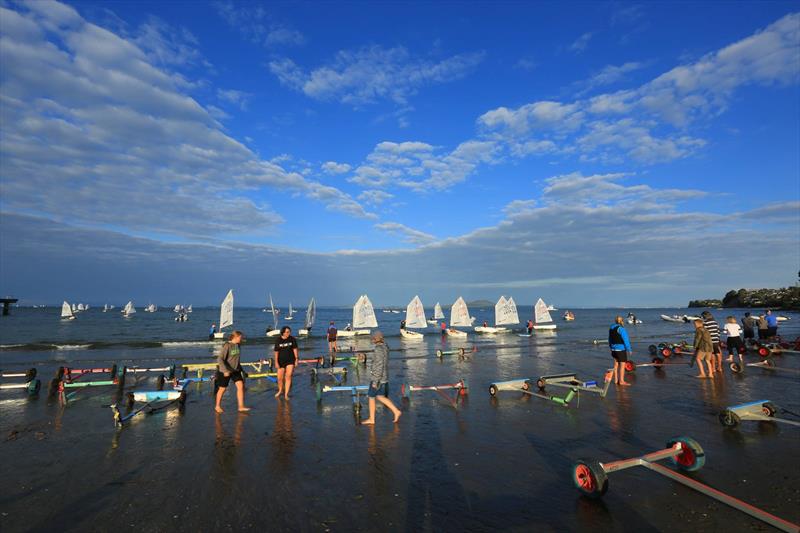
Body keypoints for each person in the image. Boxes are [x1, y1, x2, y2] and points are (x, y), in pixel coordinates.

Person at [361, 331, 402, 425]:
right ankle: (396, 411)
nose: (372, 340)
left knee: (371, 397)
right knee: (380, 397)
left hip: (378, 378)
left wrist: (375, 381)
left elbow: (379, 365)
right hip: (384, 377)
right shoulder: (385, 347)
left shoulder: (378, 349)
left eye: (373, 338)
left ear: (376, 339)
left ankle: (372, 419)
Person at [214, 331, 250, 413]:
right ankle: (217, 406)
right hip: (225, 371)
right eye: (240, 337)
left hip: (235, 370)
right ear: (235, 337)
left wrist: (241, 369)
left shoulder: (238, 345)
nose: (242, 339)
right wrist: (225, 371)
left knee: (240, 386)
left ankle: (241, 406)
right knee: (222, 389)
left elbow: (236, 360)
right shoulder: (227, 346)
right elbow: (220, 359)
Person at [273, 326, 298, 400]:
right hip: (281, 361)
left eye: (289, 332)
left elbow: (295, 349)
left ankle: (286, 394)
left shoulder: (292, 339)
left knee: (288, 376)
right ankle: (280, 390)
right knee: (280, 378)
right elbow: (276, 352)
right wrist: (276, 362)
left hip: (290, 360)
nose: (288, 333)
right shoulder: (278, 340)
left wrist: (296, 359)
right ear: (283, 332)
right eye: (287, 332)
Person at [608, 316, 631, 386]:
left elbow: (609, 339)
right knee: (622, 365)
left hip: (613, 349)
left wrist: (611, 347)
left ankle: (616, 380)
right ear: (621, 321)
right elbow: (626, 340)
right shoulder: (621, 329)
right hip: (620, 349)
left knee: (616, 365)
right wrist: (629, 349)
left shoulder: (611, 328)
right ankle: (621, 381)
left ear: (615, 321)